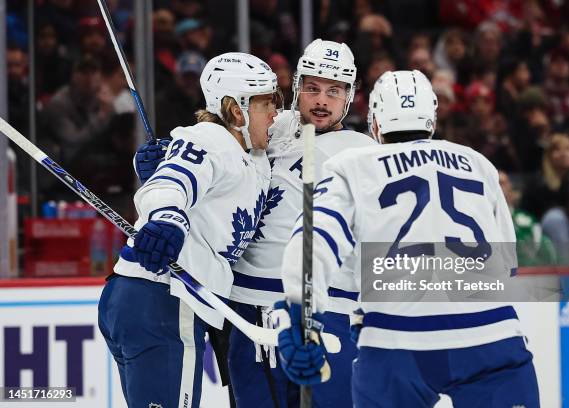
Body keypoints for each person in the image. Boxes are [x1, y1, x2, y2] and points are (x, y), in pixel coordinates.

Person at [276, 70, 540, 407]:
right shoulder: (479, 164)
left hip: (396, 338)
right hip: (490, 336)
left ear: (375, 124)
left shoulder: (352, 164)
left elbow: (312, 241)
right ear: (432, 119)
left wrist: (299, 310)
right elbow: (507, 266)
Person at [98, 52, 280, 408]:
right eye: (266, 103)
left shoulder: (247, 153)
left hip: (142, 302)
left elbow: (181, 171)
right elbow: (169, 185)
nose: (275, 112)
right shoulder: (211, 140)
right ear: (236, 110)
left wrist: (165, 155)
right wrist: (168, 218)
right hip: (163, 299)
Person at [227, 39, 375, 408]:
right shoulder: (270, 126)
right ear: (295, 87)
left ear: (349, 96)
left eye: (333, 90)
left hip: (329, 312)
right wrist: (168, 157)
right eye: (312, 88)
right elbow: (215, 147)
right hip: (249, 306)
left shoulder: (363, 152)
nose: (321, 100)